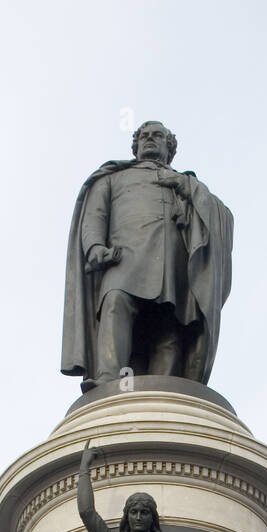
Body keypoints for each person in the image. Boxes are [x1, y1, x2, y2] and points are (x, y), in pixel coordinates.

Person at [61, 120, 233, 389]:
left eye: (158, 136)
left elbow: (219, 214)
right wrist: (94, 247)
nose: (150, 139)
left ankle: (164, 390)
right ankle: (108, 380)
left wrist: (185, 186)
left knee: (170, 327)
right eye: (144, 136)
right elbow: (95, 214)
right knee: (116, 302)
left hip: (172, 265)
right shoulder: (112, 178)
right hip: (123, 259)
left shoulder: (185, 183)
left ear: (170, 147)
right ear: (136, 145)